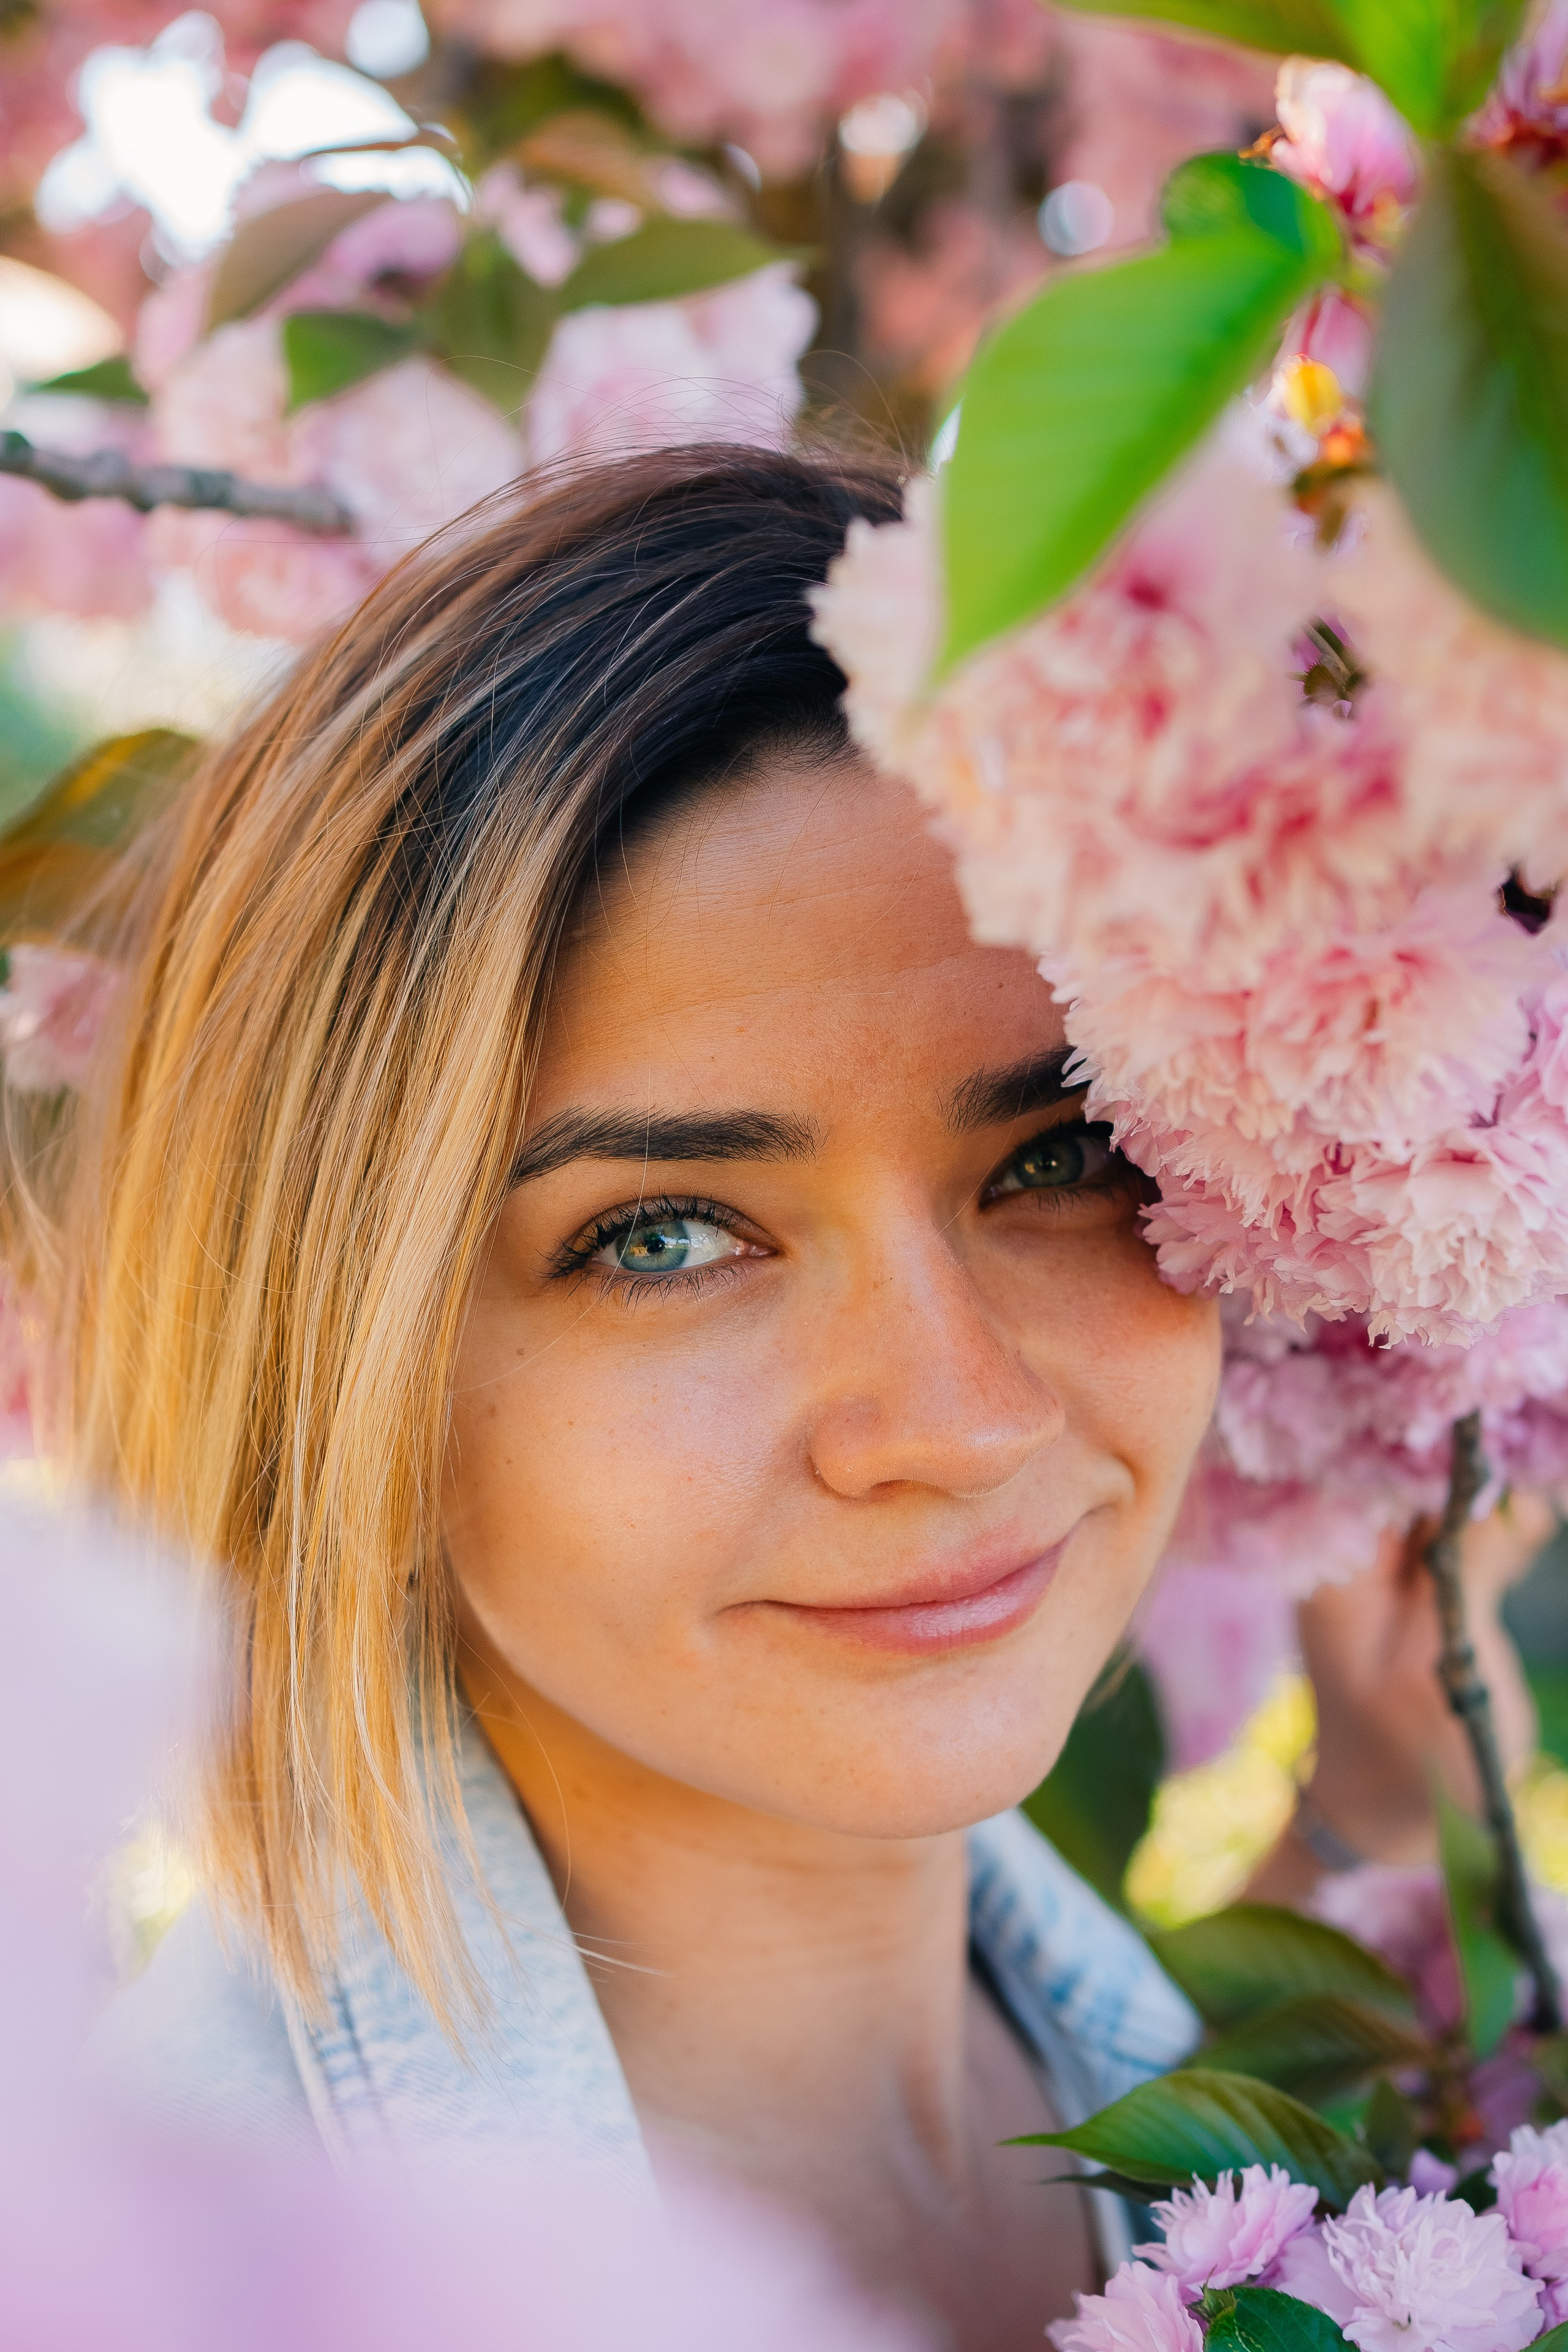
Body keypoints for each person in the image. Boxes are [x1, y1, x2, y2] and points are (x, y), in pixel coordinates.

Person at [49, 445, 1550, 2352]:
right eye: (667, 1237)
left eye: (1062, 1158)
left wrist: (1370, 1799)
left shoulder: (1132, 2072)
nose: (956, 1419)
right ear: (342, 1358)